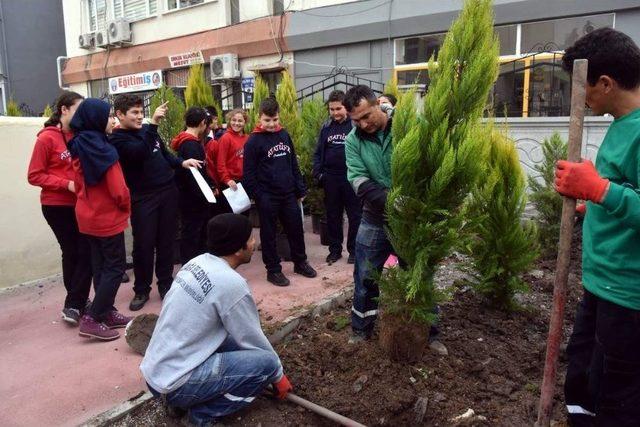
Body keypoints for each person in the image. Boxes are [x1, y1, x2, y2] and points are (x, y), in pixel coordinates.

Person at [555, 28, 640, 426]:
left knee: (618, 396)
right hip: (600, 284)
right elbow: (627, 194)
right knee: (583, 377)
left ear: (605, 83)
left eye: (582, 87)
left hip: (629, 296)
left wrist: (599, 190)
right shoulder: (623, 122)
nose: (581, 97)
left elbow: (615, 192)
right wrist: (594, 204)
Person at [140, 213, 293, 426]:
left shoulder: (197, 262)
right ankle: (202, 415)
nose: (254, 242)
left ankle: (178, 403)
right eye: (250, 239)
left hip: (156, 373)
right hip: (176, 382)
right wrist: (278, 375)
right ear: (239, 249)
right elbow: (252, 338)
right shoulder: (231, 284)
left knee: (231, 342)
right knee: (265, 364)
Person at [110, 94, 202, 311]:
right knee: (144, 245)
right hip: (143, 198)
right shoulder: (117, 139)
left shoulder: (148, 131)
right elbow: (140, 153)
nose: (140, 116)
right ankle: (141, 290)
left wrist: (181, 162)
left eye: (142, 112)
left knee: (166, 241)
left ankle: (165, 284)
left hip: (168, 192)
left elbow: (164, 155)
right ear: (120, 115)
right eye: (134, 113)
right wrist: (153, 124)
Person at [67, 98, 132, 341]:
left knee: (100, 266)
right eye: (108, 117)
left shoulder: (81, 144)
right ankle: (93, 318)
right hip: (106, 217)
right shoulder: (104, 151)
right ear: (95, 120)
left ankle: (105, 311)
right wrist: (127, 206)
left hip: (87, 215)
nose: (113, 120)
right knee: (115, 268)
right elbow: (118, 190)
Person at [28, 91, 93, 325]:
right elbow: (34, 175)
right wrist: (65, 184)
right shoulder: (46, 139)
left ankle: (75, 303)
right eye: (78, 110)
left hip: (81, 203)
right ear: (64, 110)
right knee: (74, 252)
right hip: (57, 206)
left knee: (85, 252)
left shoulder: (80, 135)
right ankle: (76, 303)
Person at [243, 97, 317, 286]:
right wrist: (259, 196)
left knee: (296, 229)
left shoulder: (284, 135)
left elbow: (293, 163)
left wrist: (299, 189)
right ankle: (273, 270)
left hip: (289, 194)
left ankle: (300, 262)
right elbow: (248, 174)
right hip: (267, 196)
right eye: (267, 120)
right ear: (259, 118)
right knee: (269, 234)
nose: (272, 124)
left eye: (275, 119)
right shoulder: (253, 141)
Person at [343, 85, 394, 343]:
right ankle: (361, 330)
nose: (362, 124)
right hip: (374, 217)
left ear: (378, 104)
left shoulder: (405, 126)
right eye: (356, 120)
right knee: (365, 275)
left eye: (366, 116)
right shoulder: (352, 141)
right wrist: (394, 202)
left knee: (418, 274)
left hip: (412, 218)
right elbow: (359, 181)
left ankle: (429, 331)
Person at [312, 90, 361, 265]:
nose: (334, 113)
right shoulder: (326, 128)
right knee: (333, 216)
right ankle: (335, 250)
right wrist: (319, 173)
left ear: (346, 107)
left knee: (355, 216)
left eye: (338, 108)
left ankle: (354, 251)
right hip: (330, 179)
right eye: (331, 109)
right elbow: (318, 152)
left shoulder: (355, 126)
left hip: (351, 179)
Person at [171, 107, 214, 264]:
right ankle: (192, 264)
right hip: (194, 198)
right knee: (193, 233)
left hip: (189, 195)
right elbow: (195, 176)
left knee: (193, 232)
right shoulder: (191, 145)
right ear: (203, 123)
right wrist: (206, 194)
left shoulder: (185, 141)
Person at [216, 108, 249, 213]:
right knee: (231, 219)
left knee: (244, 217)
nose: (236, 123)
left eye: (240, 121)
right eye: (234, 120)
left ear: (245, 122)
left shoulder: (248, 138)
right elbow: (220, 163)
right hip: (230, 184)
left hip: (244, 183)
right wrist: (227, 179)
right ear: (229, 121)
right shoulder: (226, 138)